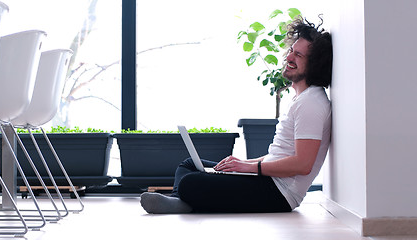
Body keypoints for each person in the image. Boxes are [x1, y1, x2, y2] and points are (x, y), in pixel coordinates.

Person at [140, 17, 333, 214]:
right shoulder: (302, 99)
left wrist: (249, 168)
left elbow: (303, 164)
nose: (289, 57)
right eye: (292, 51)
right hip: (267, 180)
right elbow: (279, 156)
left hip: (279, 193)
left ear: (314, 65)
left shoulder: (311, 103)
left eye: (298, 56)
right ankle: (180, 201)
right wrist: (242, 164)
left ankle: (182, 200)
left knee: (191, 182)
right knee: (189, 165)